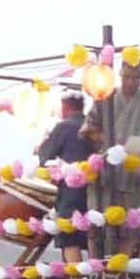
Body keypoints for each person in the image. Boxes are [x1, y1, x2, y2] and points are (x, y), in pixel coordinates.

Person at [83, 60, 140, 211]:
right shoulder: (105, 98)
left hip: (134, 173)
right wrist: (109, 140)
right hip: (105, 169)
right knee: (101, 220)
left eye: (136, 78)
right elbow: (88, 130)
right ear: (120, 76)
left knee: (130, 224)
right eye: (127, 77)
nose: (131, 81)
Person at [37, 92, 94, 263]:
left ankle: (76, 277)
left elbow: (45, 154)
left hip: (71, 189)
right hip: (96, 187)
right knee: (94, 231)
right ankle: (97, 274)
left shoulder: (64, 127)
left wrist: (40, 148)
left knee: (69, 233)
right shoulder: (94, 126)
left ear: (65, 106)